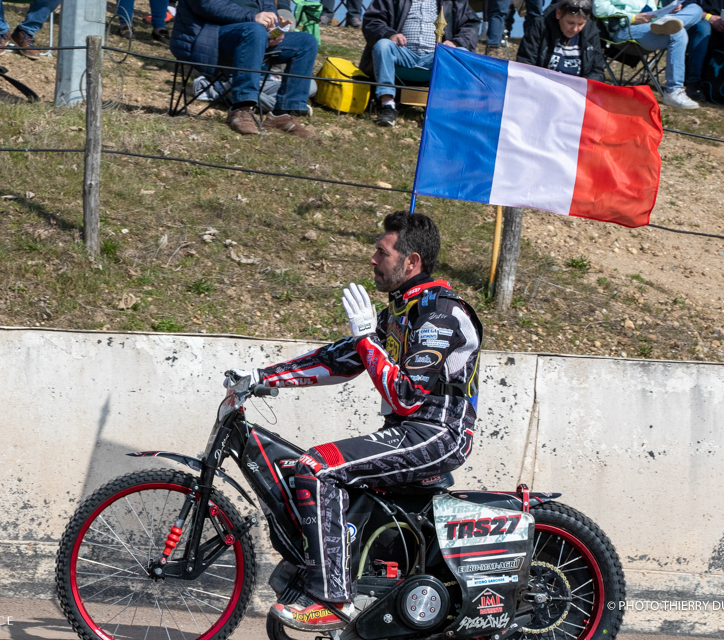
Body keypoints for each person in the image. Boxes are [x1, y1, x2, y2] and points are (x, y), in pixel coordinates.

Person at [224, 211, 484, 631]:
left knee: (317, 467)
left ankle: (331, 598)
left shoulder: (441, 314)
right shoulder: (400, 311)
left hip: (439, 433)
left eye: (382, 252)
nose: (372, 259)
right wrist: (260, 377)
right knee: (311, 472)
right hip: (406, 432)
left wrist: (366, 337)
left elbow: (405, 395)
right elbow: (338, 361)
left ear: (411, 261)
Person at [170, 0, 318, 136]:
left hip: (253, 34)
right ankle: (241, 109)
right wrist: (253, 17)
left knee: (306, 42)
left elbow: (268, 6)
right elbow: (206, 4)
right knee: (254, 30)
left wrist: (274, 29)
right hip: (209, 36)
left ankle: (282, 115)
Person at [360, 0, 480, 126]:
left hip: (437, 58)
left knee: (461, 53)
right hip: (402, 55)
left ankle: (443, 110)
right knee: (383, 45)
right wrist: (389, 35)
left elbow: (471, 25)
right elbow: (373, 20)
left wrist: (456, 42)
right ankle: (388, 106)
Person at [594, 0, 704, 108]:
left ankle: (669, 20)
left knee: (696, 9)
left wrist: (666, 11)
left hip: (650, 25)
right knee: (678, 32)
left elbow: (652, 9)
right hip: (624, 28)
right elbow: (598, 8)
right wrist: (633, 17)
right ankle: (673, 91)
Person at [516, 0, 606, 79]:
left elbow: (597, 71)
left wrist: (583, 85)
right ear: (558, 13)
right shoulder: (540, 26)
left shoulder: (591, 31)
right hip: (543, 85)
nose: (575, 29)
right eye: (570, 23)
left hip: (577, 89)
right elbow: (525, 63)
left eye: (580, 24)